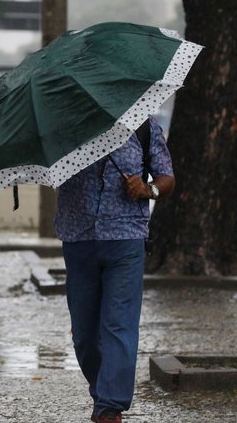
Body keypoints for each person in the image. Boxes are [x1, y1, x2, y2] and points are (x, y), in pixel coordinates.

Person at [54, 116, 175, 423]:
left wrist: (149, 191)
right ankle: (103, 391)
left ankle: (110, 407)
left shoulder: (144, 127)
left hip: (126, 239)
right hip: (78, 237)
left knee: (118, 326)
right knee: (83, 335)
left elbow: (166, 178)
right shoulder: (66, 127)